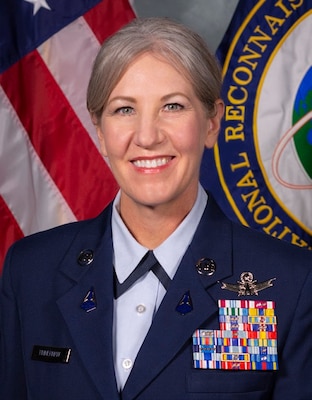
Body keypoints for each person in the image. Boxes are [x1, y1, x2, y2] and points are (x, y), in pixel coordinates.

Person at [1, 17, 312, 400]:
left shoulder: (292, 283)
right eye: (124, 110)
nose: (147, 136)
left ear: (212, 123)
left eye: (173, 106)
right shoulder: (30, 272)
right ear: (100, 131)